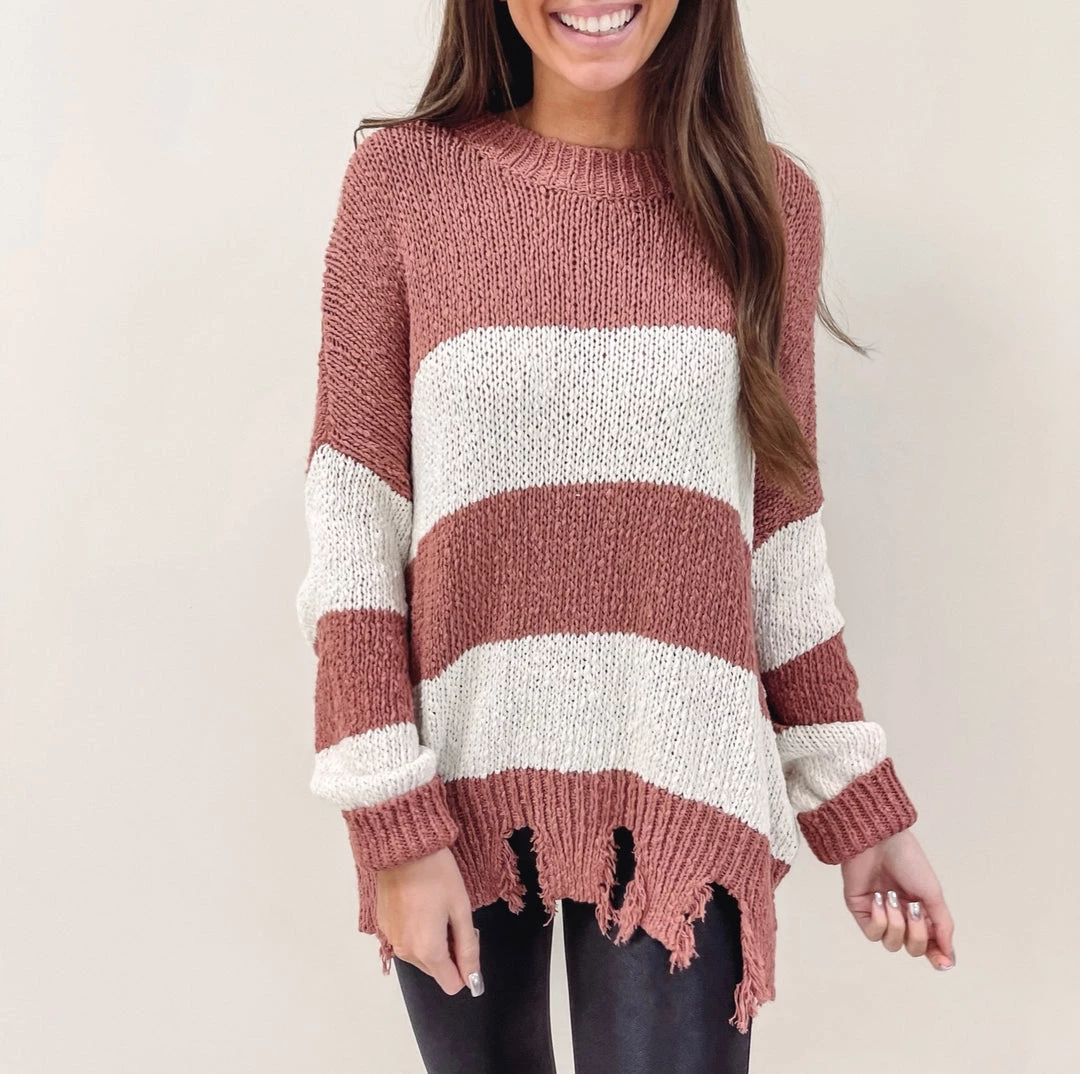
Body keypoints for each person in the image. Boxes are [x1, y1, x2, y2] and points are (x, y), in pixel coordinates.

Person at [295, 2, 956, 1071]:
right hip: (456, 794)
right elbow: (353, 529)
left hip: (684, 779)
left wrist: (861, 810)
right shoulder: (402, 185)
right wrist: (391, 822)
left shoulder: (768, 204)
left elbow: (778, 549)